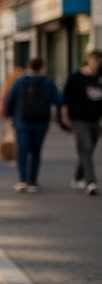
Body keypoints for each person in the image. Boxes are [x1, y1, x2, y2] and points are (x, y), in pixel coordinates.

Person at [4, 58, 63, 193]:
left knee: (23, 151)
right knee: (36, 151)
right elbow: (58, 100)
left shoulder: (19, 81)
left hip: (22, 122)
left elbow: (9, 101)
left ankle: (22, 180)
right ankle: (33, 181)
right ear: (42, 67)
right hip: (41, 122)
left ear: (28, 67)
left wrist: (11, 116)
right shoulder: (47, 82)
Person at [61, 50, 102, 195]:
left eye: (99, 60)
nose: (97, 63)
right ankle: (91, 182)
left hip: (95, 120)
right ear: (88, 60)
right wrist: (65, 116)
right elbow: (65, 98)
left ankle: (78, 176)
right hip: (79, 120)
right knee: (86, 147)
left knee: (87, 150)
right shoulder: (76, 77)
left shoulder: (99, 78)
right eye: (95, 59)